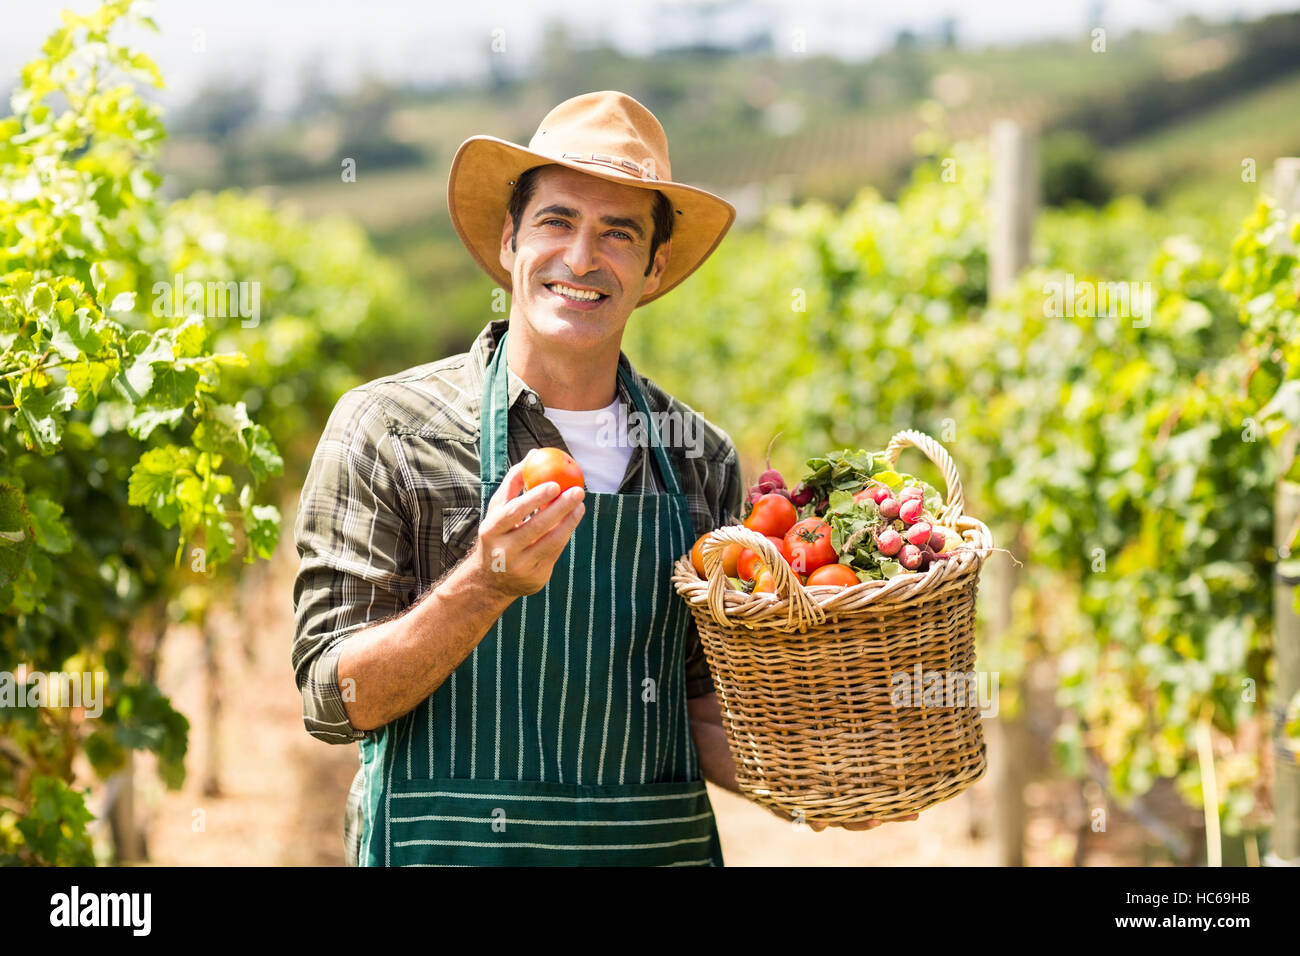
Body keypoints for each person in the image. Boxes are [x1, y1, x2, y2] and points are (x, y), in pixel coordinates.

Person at [292, 90, 910, 867]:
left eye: (618, 234)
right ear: (511, 238)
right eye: (557, 221)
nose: (583, 258)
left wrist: (814, 781)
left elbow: (698, 712)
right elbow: (332, 700)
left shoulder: (698, 458)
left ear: (653, 270)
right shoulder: (388, 432)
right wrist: (482, 584)